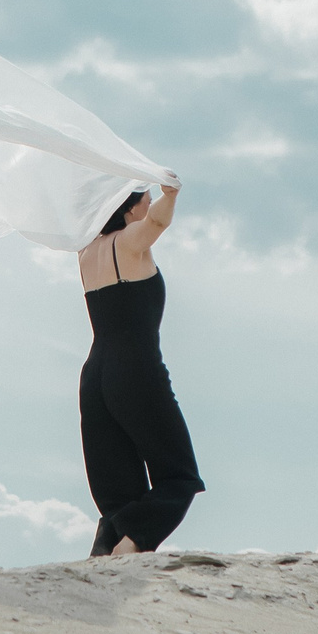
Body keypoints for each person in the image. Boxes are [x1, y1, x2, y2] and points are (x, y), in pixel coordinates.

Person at [76, 180, 203, 556]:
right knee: (178, 477)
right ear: (130, 210)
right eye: (146, 198)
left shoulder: (86, 251)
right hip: (136, 370)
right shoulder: (130, 243)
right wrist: (173, 195)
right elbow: (158, 225)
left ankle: (107, 554)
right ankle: (130, 549)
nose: (151, 203)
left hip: (95, 375)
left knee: (117, 492)